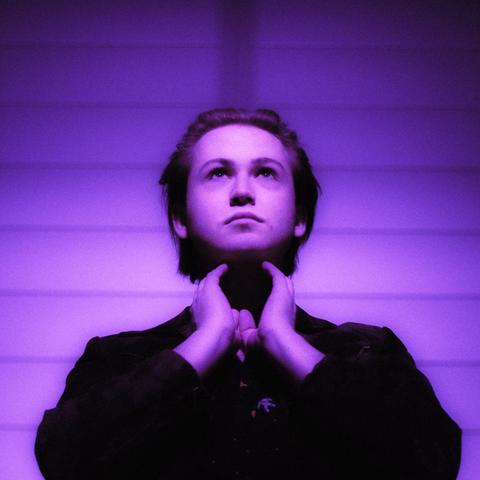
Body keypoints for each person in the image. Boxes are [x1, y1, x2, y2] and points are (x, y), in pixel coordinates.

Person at [35, 108, 461, 479]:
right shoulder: (119, 357)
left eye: (266, 172)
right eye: (218, 173)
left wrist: (287, 343)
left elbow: (431, 462)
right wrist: (205, 342)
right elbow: (64, 460)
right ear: (181, 217)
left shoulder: (367, 350)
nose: (242, 192)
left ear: (300, 217)